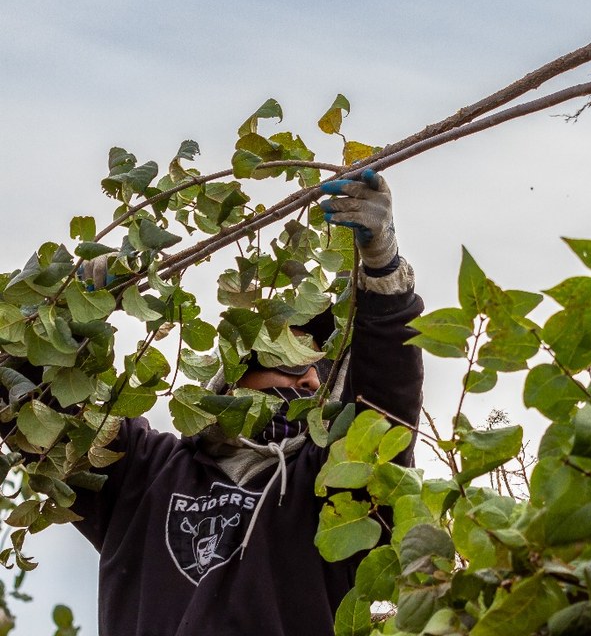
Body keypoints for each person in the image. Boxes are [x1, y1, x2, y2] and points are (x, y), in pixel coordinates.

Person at [65, 169, 423, 635]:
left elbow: (386, 405)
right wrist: (69, 319)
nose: (311, 380)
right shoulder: (141, 472)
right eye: (290, 362)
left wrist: (381, 265)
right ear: (234, 378)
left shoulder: (334, 486)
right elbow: (40, 415)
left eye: (323, 369)